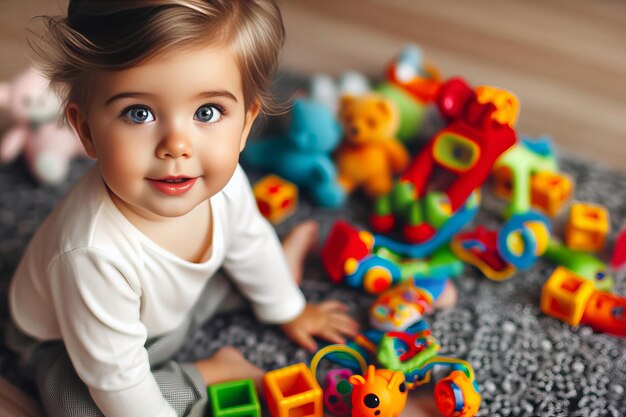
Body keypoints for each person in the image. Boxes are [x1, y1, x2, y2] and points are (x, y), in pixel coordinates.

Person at [6, 1, 359, 416]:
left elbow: (249, 243)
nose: (177, 145)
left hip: (170, 310)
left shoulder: (223, 187)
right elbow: (117, 381)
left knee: (249, 261)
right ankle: (210, 371)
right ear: (85, 130)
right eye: (139, 113)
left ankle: (283, 273)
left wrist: (289, 309)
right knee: (77, 406)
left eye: (207, 112)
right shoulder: (92, 255)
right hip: (70, 341)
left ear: (246, 124)